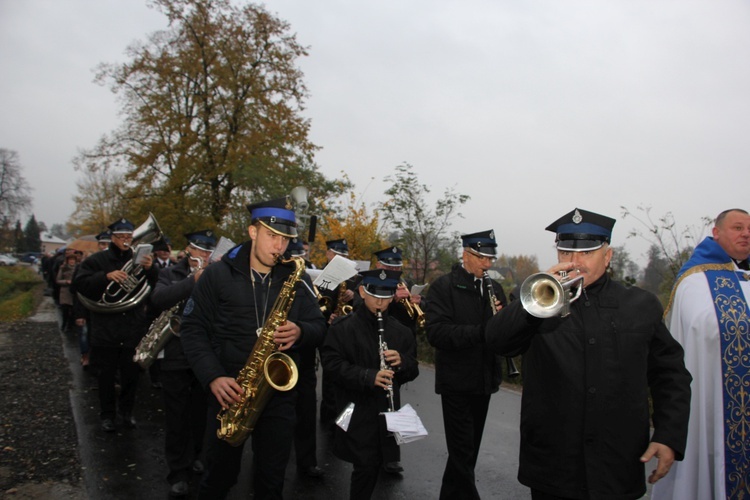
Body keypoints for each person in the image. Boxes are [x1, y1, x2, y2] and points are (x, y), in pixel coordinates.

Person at [485, 208, 692, 500]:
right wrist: (529, 305)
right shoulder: (532, 297)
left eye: (587, 253)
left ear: (607, 257)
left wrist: (668, 435)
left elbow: (670, 375)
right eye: (566, 252)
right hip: (553, 464)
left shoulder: (640, 305)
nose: (574, 262)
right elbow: (497, 341)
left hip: (617, 463)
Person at [180, 197, 326, 499]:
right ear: (252, 232)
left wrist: (301, 331)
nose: (279, 247)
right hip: (229, 390)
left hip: (279, 397)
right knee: (218, 479)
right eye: (272, 236)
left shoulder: (294, 278)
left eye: (285, 240)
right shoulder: (217, 275)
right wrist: (213, 377)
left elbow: (320, 327)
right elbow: (193, 330)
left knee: (271, 481)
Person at [651, 208, 750, 500]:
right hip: (714, 400)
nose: (746, 233)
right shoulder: (697, 280)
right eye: (738, 227)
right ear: (716, 233)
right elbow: (699, 332)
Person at [320, 269, 419, 500]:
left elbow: (412, 369)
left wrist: (402, 363)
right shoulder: (343, 328)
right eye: (375, 295)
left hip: (387, 410)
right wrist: (367, 376)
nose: (380, 302)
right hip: (353, 409)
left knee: (376, 464)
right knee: (364, 465)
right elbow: (332, 365)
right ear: (362, 292)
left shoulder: (401, 331)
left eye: (386, 297)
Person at [425, 229, 507, 500]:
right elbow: (437, 333)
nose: (487, 264)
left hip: (484, 380)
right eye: (481, 257)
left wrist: (505, 321)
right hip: (456, 382)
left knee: (468, 450)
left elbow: (502, 331)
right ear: (466, 254)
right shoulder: (444, 286)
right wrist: (482, 331)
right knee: (461, 450)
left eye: (490, 259)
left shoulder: (494, 288)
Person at [72, 218, 159, 432]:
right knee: (106, 377)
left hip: (132, 328)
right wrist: (106, 277)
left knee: (131, 377)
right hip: (105, 329)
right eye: (121, 237)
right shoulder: (97, 260)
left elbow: (153, 286)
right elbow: (79, 285)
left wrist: (150, 269)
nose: (126, 241)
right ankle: (107, 416)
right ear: (112, 238)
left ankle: (127, 414)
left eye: (129, 237)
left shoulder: (139, 258)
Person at [148, 229, 216, 498]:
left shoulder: (218, 275)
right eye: (200, 250)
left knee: (201, 414)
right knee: (177, 418)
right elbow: (157, 299)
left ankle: (198, 456)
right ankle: (178, 471)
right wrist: (192, 281)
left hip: (205, 355)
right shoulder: (170, 273)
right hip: (175, 354)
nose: (204, 255)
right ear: (188, 250)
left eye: (208, 252)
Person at [285, 237, 325, 478]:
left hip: (304, 360)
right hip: (276, 358)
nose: (299, 261)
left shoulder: (305, 280)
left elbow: (318, 324)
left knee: (307, 412)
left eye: (301, 257)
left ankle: (307, 461)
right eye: (295, 257)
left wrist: (301, 330)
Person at [319, 237, 355, 426]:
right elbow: (315, 304)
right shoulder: (320, 276)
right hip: (328, 331)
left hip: (348, 333)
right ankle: (328, 419)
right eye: (337, 255)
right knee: (330, 376)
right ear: (329, 254)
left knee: (347, 378)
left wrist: (354, 295)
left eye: (344, 255)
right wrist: (327, 318)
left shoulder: (354, 278)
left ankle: (344, 420)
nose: (341, 258)